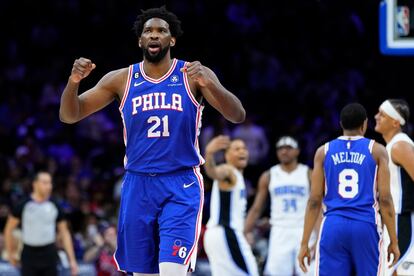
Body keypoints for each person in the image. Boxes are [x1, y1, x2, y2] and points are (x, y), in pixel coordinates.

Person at [59, 6, 245, 276]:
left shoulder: (192, 75)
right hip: (138, 184)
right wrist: (74, 81)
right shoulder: (121, 79)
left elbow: (237, 114)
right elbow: (69, 114)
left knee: (171, 271)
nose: (154, 35)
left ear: (172, 40)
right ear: (140, 40)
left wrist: (211, 83)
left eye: (161, 31)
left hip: (180, 183)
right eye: (148, 31)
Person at [298, 103, 400, 275]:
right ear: (364, 124)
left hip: (333, 225)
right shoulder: (377, 150)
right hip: (365, 225)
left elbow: (314, 200)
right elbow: (385, 199)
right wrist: (394, 241)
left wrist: (304, 243)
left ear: (341, 124)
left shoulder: (323, 151)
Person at [244, 135, 316, 275]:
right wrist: (245, 231)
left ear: (297, 151)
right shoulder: (269, 175)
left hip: (305, 229)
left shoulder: (308, 173)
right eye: (280, 148)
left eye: (288, 148)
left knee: (310, 272)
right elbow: (257, 208)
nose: (284, 151)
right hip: (279, 230)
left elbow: (317, 206)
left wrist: (319, 236)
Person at [203, 135, 259, 276]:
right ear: (227, 156)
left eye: (244, 148)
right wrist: (209, 153)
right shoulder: (229, 172)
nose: (242, 151)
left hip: (219, 234)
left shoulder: (239, 178)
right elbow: (213, 172)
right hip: (225, 232)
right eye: (236, 149)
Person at [3, 171, 78, 276]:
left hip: (49, 253)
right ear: (35, 184)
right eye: (45, 183)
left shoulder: (55, 204)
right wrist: (10, 253)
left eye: (50, 183)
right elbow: (8, 229)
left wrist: (72, 260)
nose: (49, 186)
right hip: (29, 254)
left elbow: (65, 233)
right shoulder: (23, 204)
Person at [375, 99, 414, 276]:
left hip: (402, 220)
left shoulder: (400, 146)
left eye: (382, 114)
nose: (376, 117)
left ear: (395, 122)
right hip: (393, 221)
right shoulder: (391, 146)